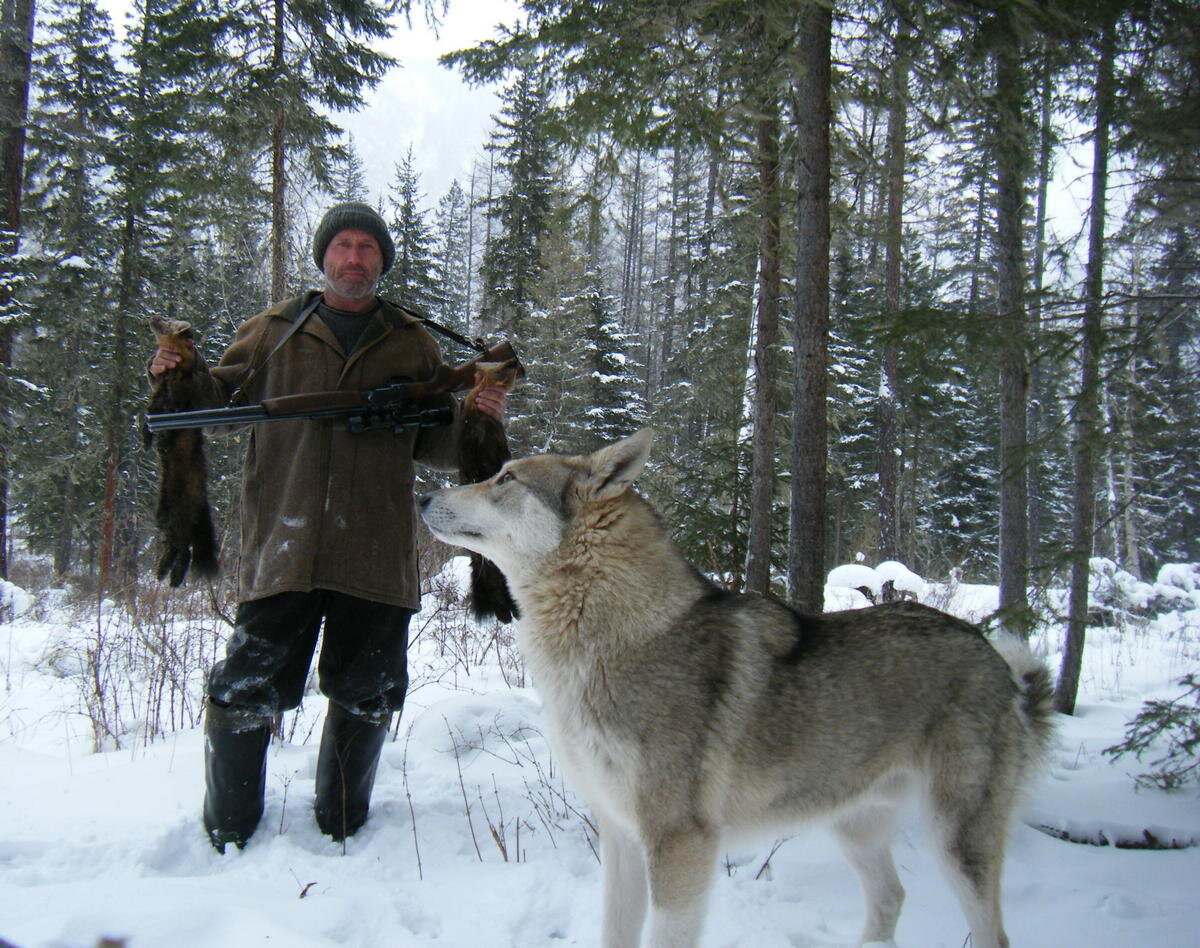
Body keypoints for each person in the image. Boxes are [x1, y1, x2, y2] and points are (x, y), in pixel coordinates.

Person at [150, 201, 508, 851]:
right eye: (342, 245)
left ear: (381, 262)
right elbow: (222, 414)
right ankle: (229, 830)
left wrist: (479, 415)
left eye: (367, 248)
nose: (353, 258)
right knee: (244, 688)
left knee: (368, 690)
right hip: (285, 544)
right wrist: (179, 374)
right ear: (323, 256)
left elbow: (438, 446)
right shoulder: (272, 331)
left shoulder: (411, 342)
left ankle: (342, 827)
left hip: (373, 550)